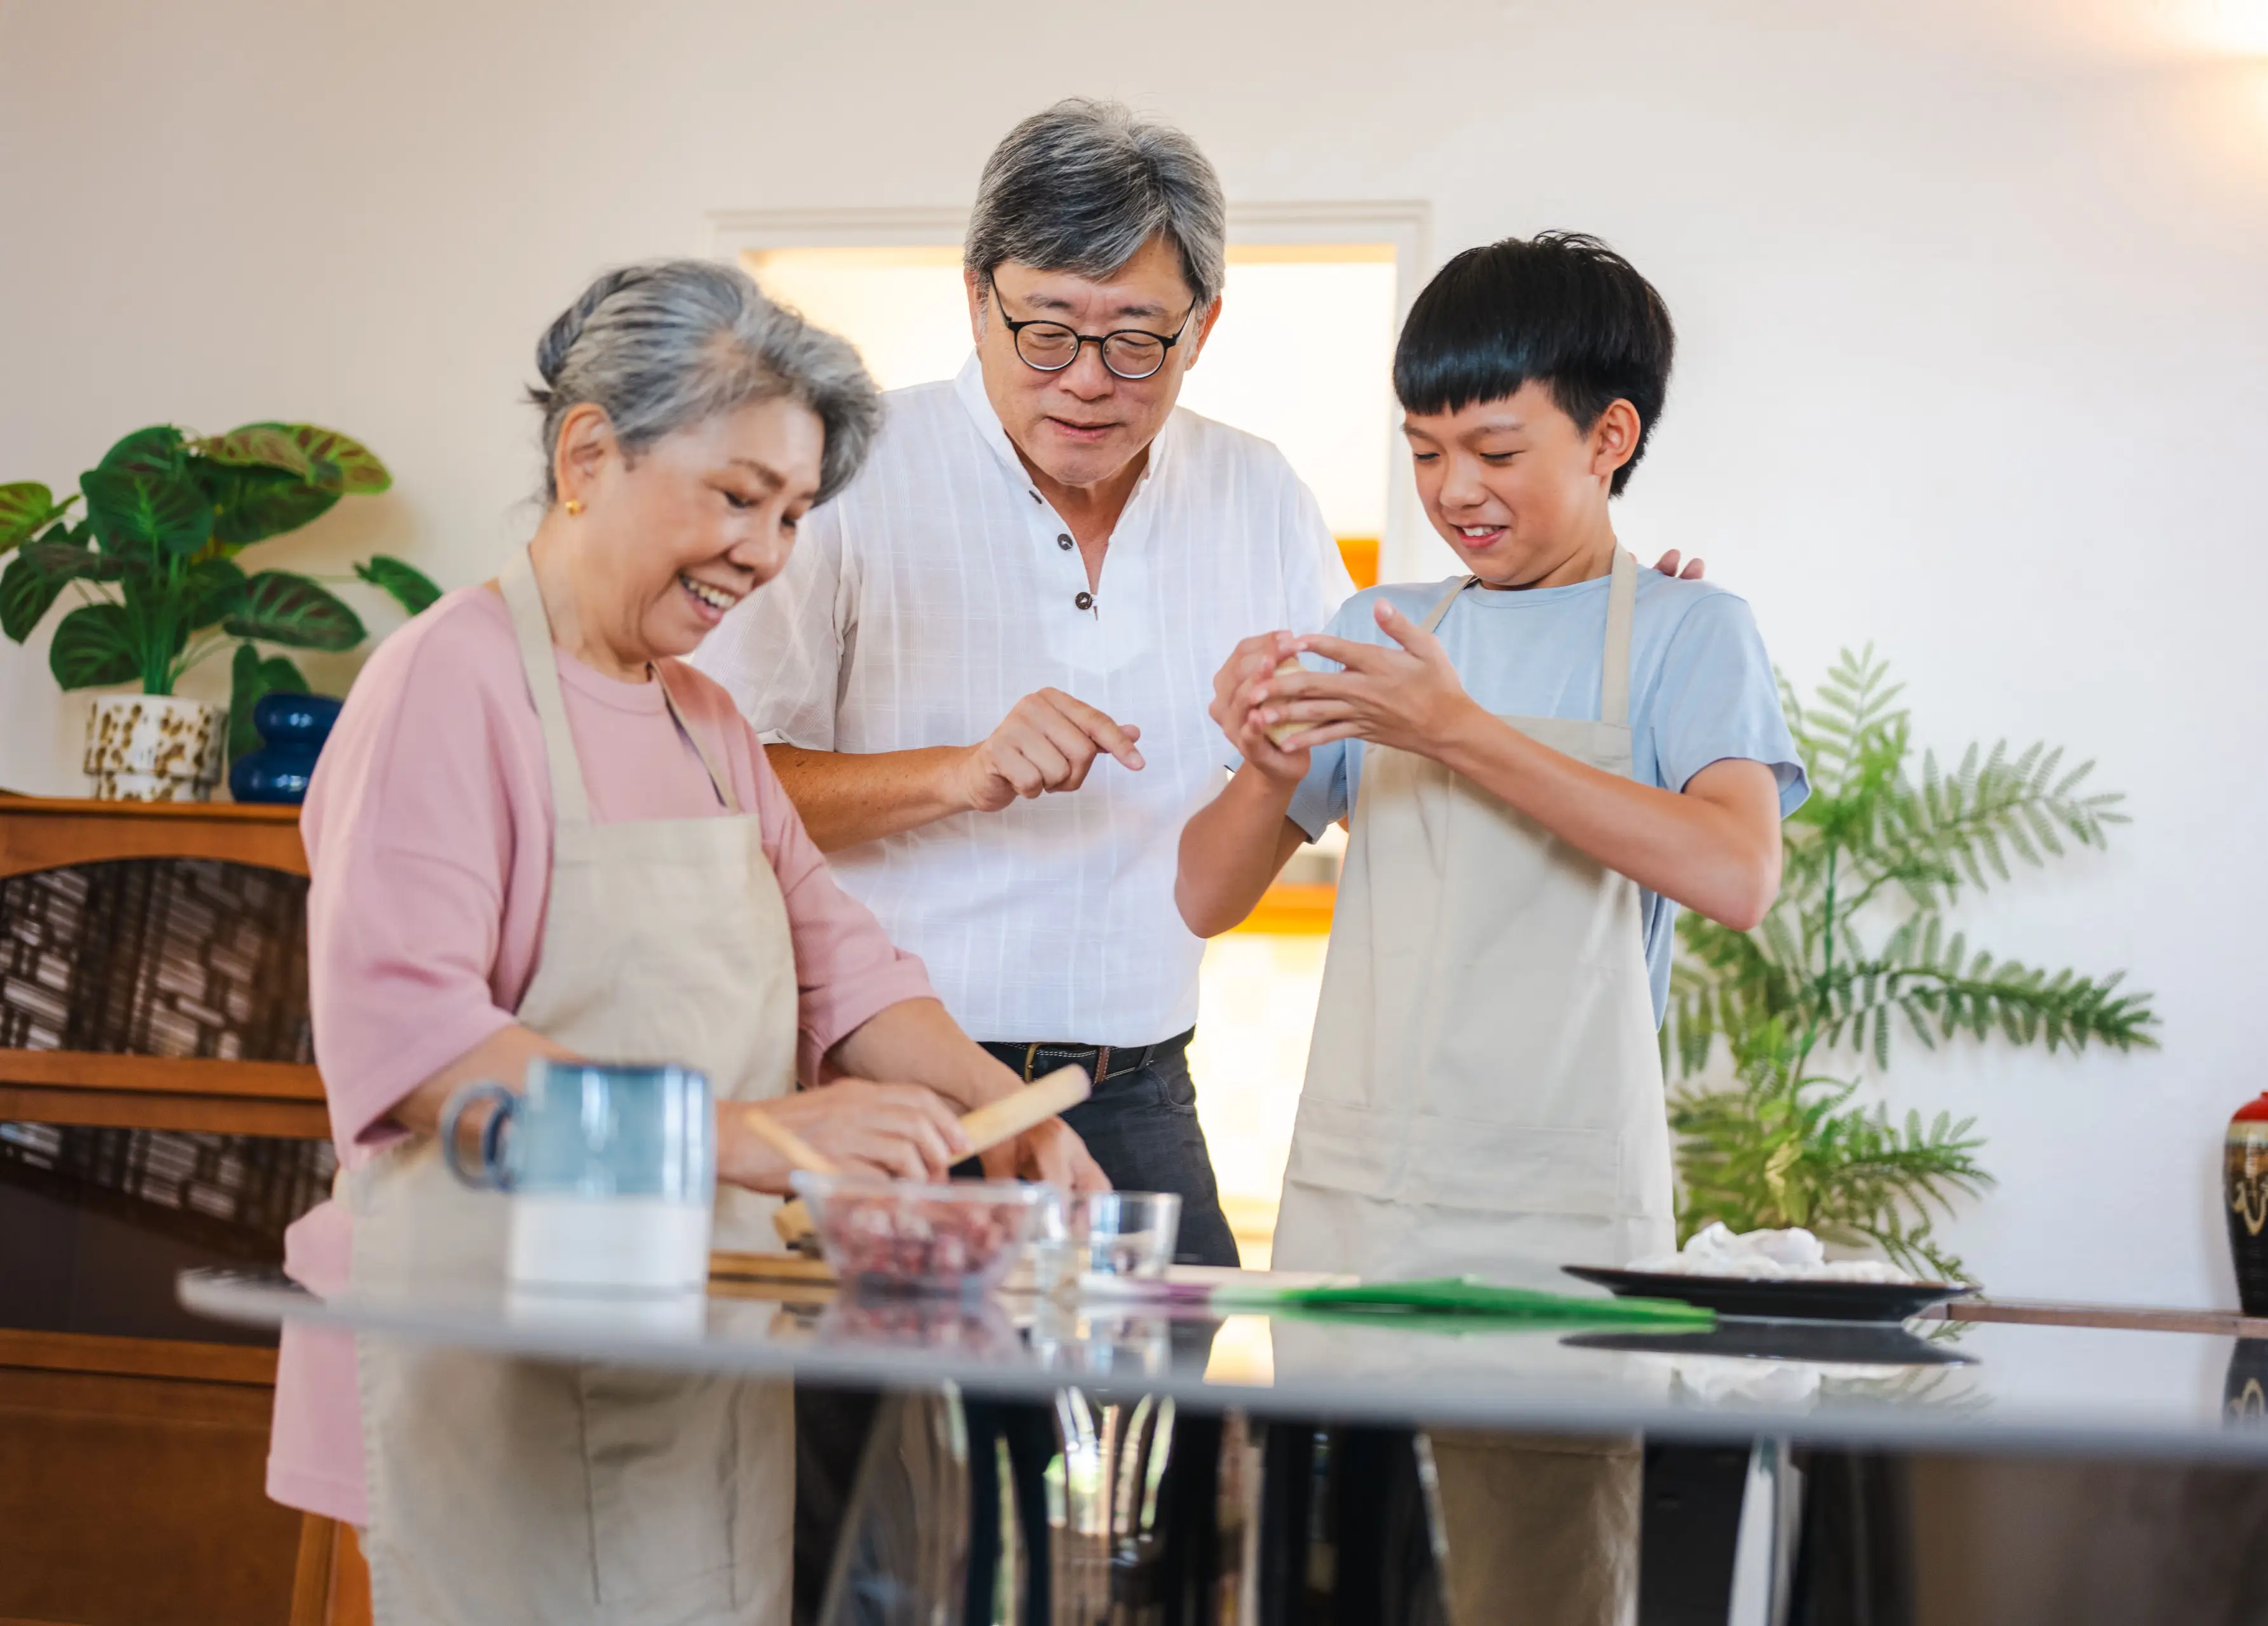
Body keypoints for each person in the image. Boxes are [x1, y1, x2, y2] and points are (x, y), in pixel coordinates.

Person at [264, 259, 1100, 1625]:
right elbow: (423, 1054)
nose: (767, 554)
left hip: (706, 1345)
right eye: (736, 498)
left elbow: (845, 964)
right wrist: (757, 1136)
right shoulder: (447, 683)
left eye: (792, 514)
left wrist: (994, 1108)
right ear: (588, 453)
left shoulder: (706, 723)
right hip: (501, 1358)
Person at [1176, 231, 1809, 1625]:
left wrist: (1455, 730)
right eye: (1423, 450)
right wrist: (1269, 763)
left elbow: (1735, 870)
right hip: (1359, 1201)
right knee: (1326, 1581)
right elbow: (1208, 896)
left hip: (1562, 1216)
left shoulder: (1693, 633)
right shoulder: (1385, 622)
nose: (1454, 489)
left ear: (1610, 433)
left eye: (1496, 448)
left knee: (1548, 1589)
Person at [694, 98, 1344, 1269]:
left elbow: (1349, 761)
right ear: (976, 296)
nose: (1089, 380)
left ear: (1203, 327)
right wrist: (964, 773)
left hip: (1138, 1095)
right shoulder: (846, 477)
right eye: (1047, 330)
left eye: (1137, 338)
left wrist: (1583, 598)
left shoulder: (1260, 496)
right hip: (893, 1092)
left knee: (1176, 1452)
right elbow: (723, 793)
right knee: (889, 1456)